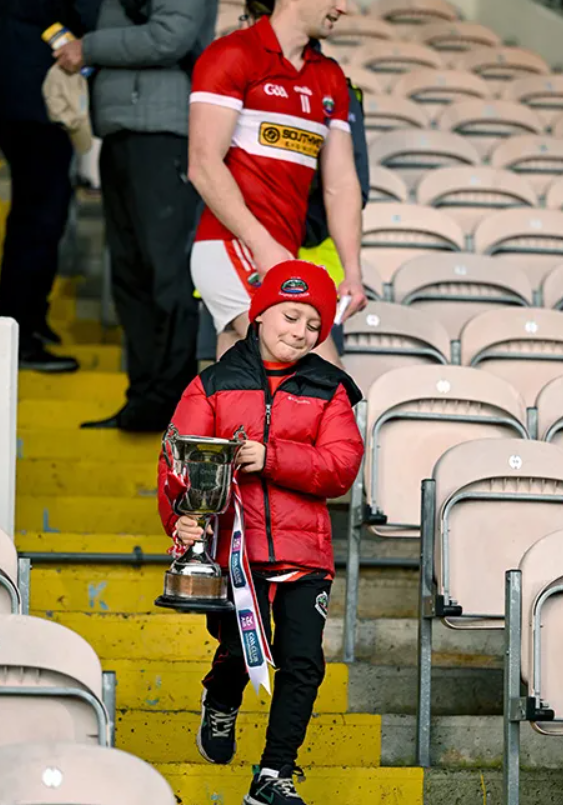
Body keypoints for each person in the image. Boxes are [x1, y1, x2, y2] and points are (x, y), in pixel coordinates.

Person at [158, 259, 364, 805]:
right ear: (260, 315)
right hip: (233, 551)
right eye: (290, 317)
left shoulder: (330, 388)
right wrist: (181, 518)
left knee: (303, 663)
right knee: (239, 645)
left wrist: (271, 457)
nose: (300, 332)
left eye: (313, 325)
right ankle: (221, 700)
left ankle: (274, 774)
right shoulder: (212, 383)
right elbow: (177, 463)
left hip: (304, 551)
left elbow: (341, 467)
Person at [55, 0, 218, 431]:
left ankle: (172, 404)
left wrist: (89, 47)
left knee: (165, 274)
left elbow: (171, 36)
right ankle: (144, 399)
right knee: (130, 275)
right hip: (124, 130)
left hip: (162, 135)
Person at [188, 0, 367, 365]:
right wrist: (262, 244)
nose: (343, 6)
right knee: (318, 373)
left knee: (243, 382)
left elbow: (341, 184)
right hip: (232, 245)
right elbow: (203, 163)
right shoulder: (233, 53)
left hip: (280, 253)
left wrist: (352, 272)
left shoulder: (330, 77)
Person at [242, 0, 370, 367]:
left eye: (253, 18)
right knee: (230, 377)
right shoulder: (232, 80)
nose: (247, 28)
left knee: (313, 378)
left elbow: (351, 185)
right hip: (239, 254)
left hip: (311, 256)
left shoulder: (333, 87)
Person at [0, 0, 114, 372]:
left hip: (11, 86)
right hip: (39, 95)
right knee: (39, 216)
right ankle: (19, 333)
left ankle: (25, 320)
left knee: (30, 213)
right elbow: (95, 15)